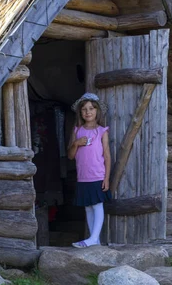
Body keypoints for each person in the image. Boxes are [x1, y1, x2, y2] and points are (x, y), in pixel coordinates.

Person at [67, 92, 111, 248]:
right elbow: (71, 156)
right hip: (83, 177)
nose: (88, 112)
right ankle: (95, 241)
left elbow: (107, 155)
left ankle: (93, 238)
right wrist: (76, 143)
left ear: (97, 111)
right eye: (84, 109)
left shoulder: (101, 131)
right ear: (80, 112)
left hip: (97, 175)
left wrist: (106, 178)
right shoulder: (77, 130)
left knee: (97, 205)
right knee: (88, 207)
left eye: (91, 108)